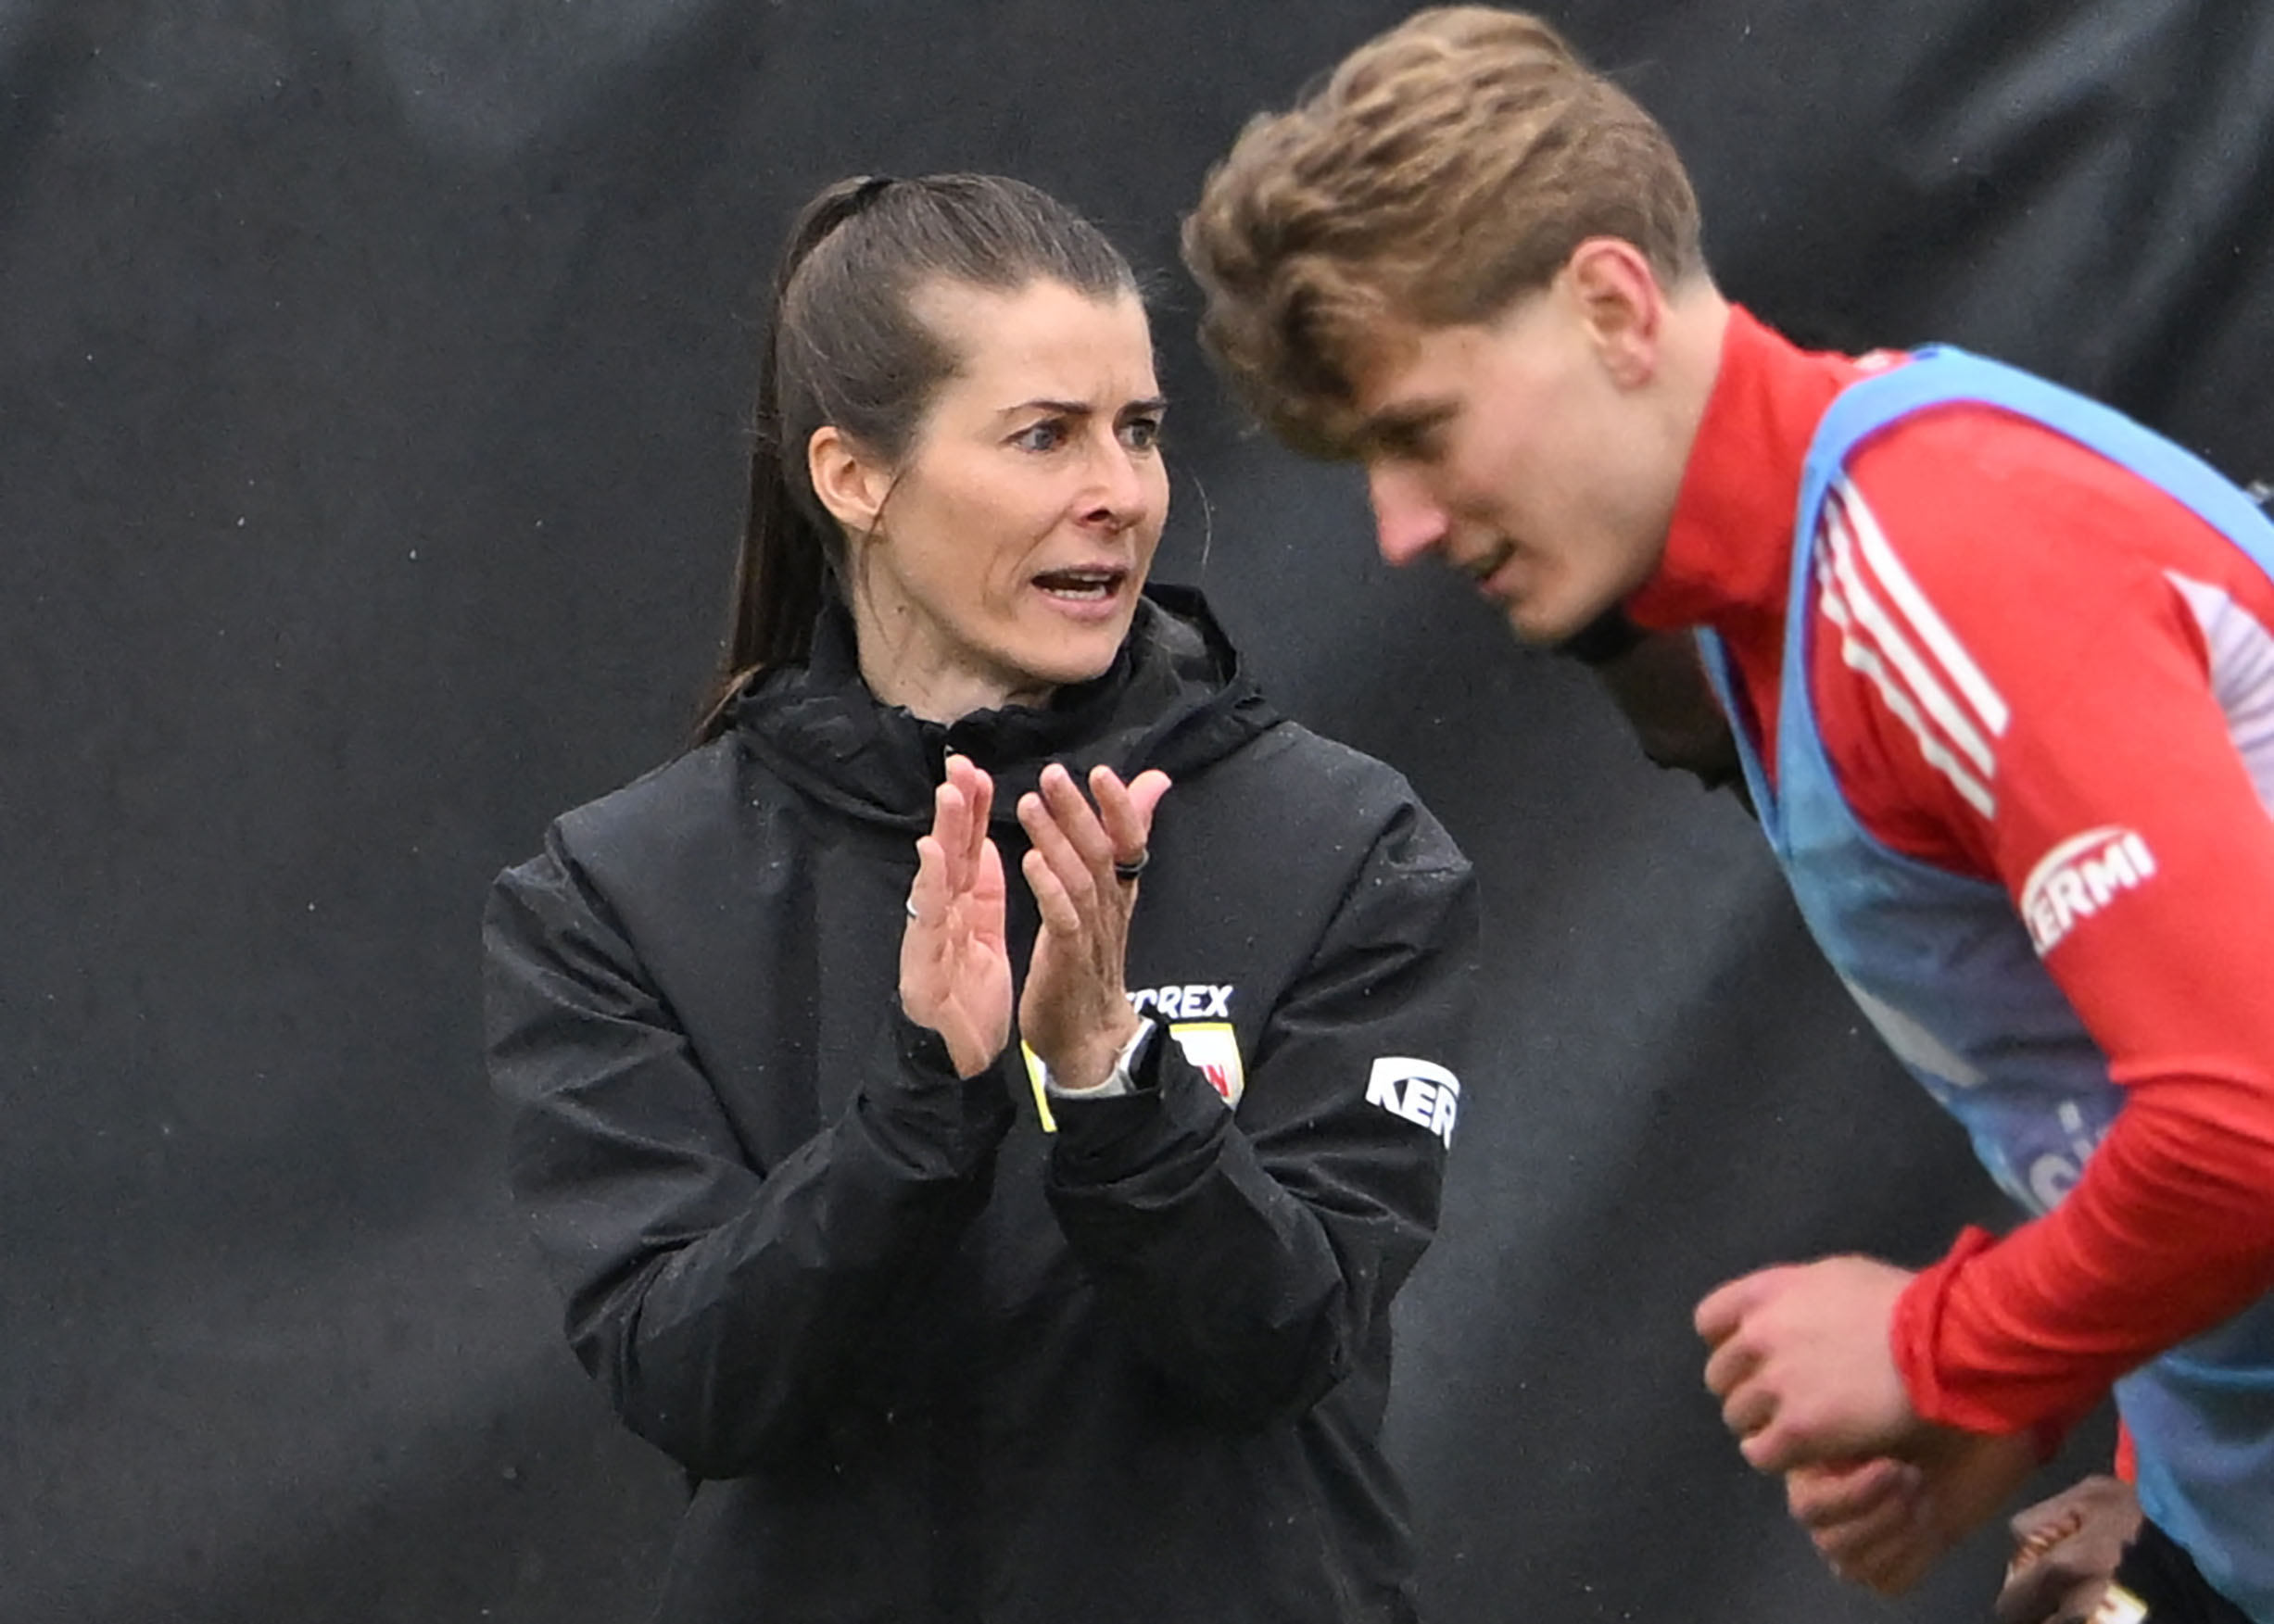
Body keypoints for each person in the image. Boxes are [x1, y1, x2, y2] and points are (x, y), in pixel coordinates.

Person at [1181, 8, 2274, 1621]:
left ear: (1612, 304)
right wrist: (2045, 1396)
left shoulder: (1936, 561)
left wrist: (1935, 1344)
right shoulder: (1799, 607)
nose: (1400, 527)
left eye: (1418, 432)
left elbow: (2247, 1118)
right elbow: (2139, 1098)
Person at [482, 171, 1478, 1623]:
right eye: (1042, 436)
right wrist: (920, 1111)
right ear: (854, 477)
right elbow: (693, 1383)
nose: (1119, 492)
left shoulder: (1347, 843)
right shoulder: (617, 893)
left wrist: (1113, 1085)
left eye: (1136, 431)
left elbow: (1285, 1341)